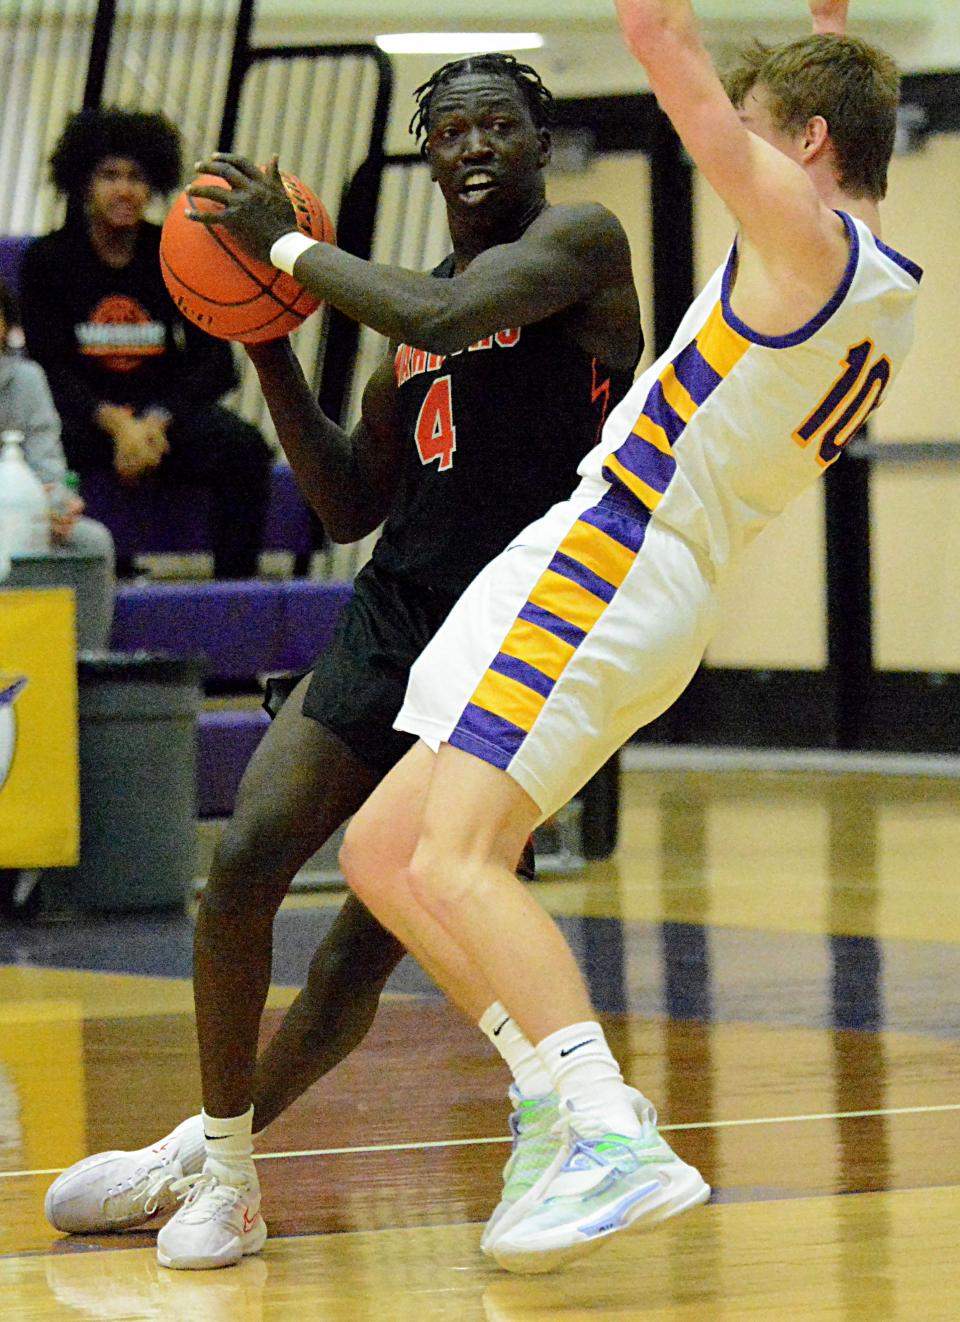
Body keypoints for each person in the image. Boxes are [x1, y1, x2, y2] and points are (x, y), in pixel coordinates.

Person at [330, 0, 919, 1275]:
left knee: (462, 853)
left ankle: (606, 1127)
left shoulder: (809, 246)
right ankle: (554, 1097)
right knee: (386, 851)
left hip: (614, 557)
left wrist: (665, 39)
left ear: (810, 144)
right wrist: (829, 26)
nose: (739, 160)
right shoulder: (880, 286)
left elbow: (677, 70)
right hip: (622, 561)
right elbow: (789, 100)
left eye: (765, 140)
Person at [43, 55, 643, 1269]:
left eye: (500, 126)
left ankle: (210, 1159)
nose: (476, 146)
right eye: (453, 129)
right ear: (428, 154)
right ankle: (222, 1163)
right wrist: (264, 341)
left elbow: (442, 318)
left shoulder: (580, 247)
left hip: (514, 643)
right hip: (395, 613)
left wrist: (285, 253)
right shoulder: (405, 312)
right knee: (245, 862)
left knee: (353, 961)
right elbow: (348, 499)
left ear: (538, 141)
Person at [19, 107, 272, 580]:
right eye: (109, 175)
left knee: (245, 449)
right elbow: (48, 368)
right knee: (31, 457)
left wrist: (153, 422)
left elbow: (217, 364)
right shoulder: (48, 260)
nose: (124, 189)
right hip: (86, 423)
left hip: (163, 423)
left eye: (135, 176)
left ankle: (236, 594)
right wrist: (118, 427)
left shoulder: (177, 251)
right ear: (83, 184)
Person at [0, 275, 115, 648]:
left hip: (22, 517)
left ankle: (86, 666)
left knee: (92, 541)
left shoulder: (27, 379)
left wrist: (56, 507)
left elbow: (48, 465)